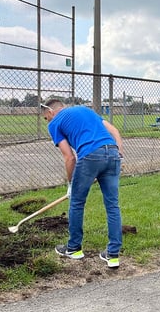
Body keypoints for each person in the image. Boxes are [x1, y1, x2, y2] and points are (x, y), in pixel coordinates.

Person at [41, 99, 123, 268]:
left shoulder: (54, 123)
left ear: (50, 112)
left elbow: (69, 157)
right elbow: (114, 131)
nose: (46, 121)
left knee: (77, 202)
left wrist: (71, 184)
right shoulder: (85, 110)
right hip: (112, 152)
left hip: (89, 155)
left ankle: (74, 248)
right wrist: (118, 155)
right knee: (112, 205)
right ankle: (113, 255)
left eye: (45, 117)